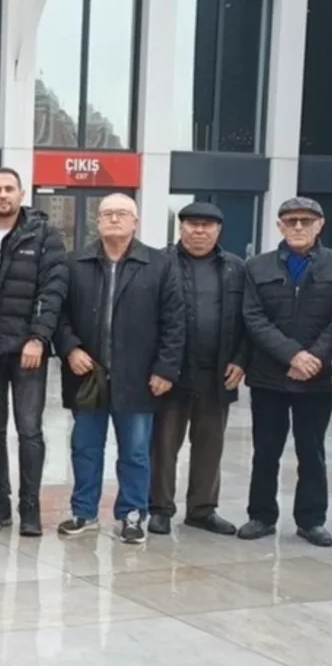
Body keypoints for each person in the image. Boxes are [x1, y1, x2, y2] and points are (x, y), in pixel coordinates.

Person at [54, 193, 184, 545]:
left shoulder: (159, 265)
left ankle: (131, 514)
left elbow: (175, 322)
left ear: (135, 222)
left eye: (122, 214)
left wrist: (166, 369)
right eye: (107, 214)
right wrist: (70, 348)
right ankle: (83, 511)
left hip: (139, 376)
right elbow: (58, 314)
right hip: (88, 376)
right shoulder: (75, 262)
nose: (114, 219)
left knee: (136, 452)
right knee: (85, 448)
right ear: (97, 221)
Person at [0, 168, 67, 537]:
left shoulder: (45, 235)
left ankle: (30, 507)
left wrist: (39, 337)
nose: (3, 195)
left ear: (22, 194)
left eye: (9, 189)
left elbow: (53, 290)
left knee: (29, 430)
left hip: (27, 351)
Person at [149, 202, 248, 537]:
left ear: (218, 230)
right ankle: (160, 508)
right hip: (171, 372)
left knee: (210, 445)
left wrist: (241, 359)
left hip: (217, 373)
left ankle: (202, 510)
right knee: (163, 445)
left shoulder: (235, 268)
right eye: (193, 224)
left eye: (207, 225)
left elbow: (248, 318)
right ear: (181, 228)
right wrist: (158, 367)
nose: (200, 231)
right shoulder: (159, 262)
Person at [239, 196, 332, 547]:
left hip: (319, 377)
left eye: (306, 221)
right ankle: (261, 515)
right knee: (266, 449)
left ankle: (311, 520)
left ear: (320, 225)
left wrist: (313, 358)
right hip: (269, 375)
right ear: (279, 226)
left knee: (312, 450)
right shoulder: (257, 267)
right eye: (291, 221)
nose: (298, 226)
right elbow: (253, 318)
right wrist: (292, 355)